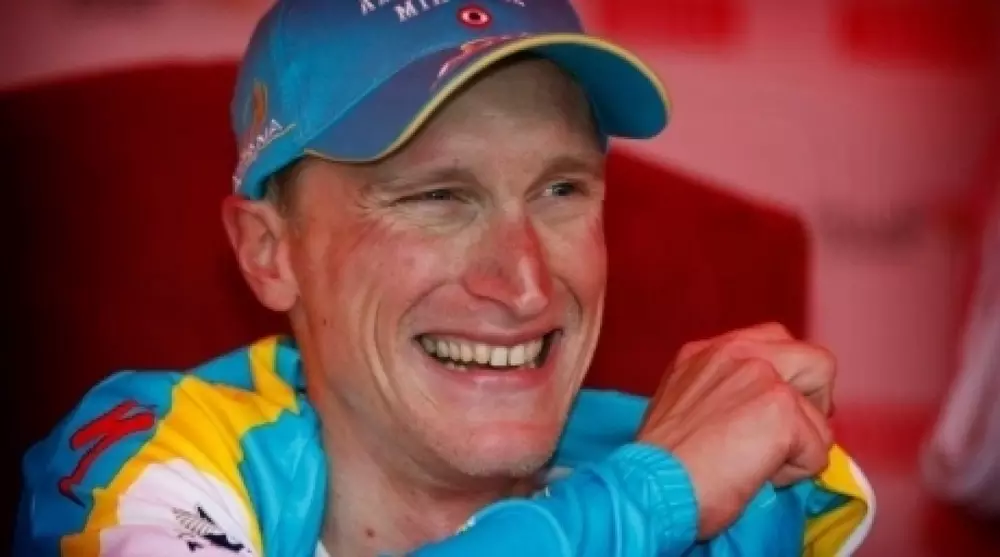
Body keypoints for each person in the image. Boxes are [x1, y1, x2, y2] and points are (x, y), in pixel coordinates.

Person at [14, 1, 875, 556]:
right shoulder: (151, 458)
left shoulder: (731, 470)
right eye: (437, 197)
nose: (525, 284)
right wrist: (654, 496)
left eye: (561, 190)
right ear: (269, 252)